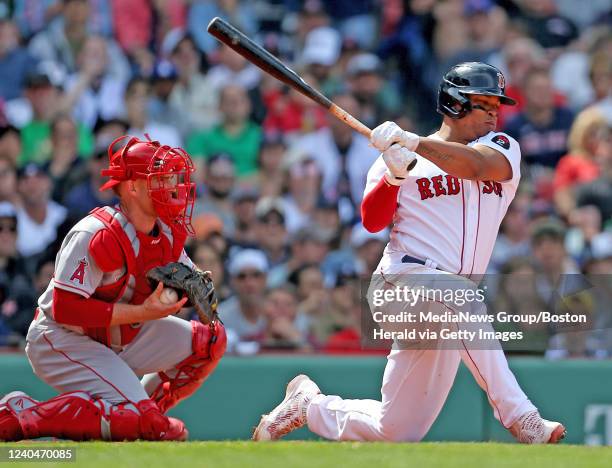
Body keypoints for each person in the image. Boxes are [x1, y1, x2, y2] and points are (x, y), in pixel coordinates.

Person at [253, 62, 565, 444]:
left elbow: (477, 166)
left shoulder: (502, 148)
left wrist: (416, 143)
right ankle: (524, 419)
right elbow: (370, 221)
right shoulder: (400, 159)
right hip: (402, 284)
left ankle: (309, 406)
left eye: (497, 104)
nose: (494, 112)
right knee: (461, 296)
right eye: (484, 103)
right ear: (455, 103)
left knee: (396, 431)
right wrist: (392, 177)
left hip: (454, 307)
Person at [0, 136, 226, 441]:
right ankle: (22, 414)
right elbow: (66, 310)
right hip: (62, 340)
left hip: (122, 336)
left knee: (209, 341)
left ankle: (143, 418)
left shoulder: (169, 231)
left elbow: (179, 286)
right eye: (161, 179)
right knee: (146, 423)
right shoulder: (95, 234)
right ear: (133, 187)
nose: (173, 187)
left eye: (172, 178)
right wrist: (144, 311)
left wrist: (189, 290)